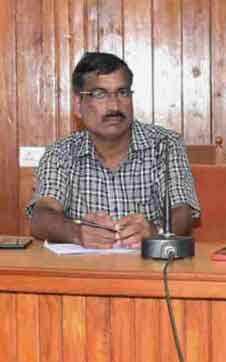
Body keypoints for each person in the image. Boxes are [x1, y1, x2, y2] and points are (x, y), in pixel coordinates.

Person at [28, 52, 200, 249]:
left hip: (150, 266)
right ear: (78, 105)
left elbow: (182, 212)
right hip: (84, 266)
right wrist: (77, 232)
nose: (114, 105)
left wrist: (155, 231)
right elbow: (41, 216)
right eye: (100, 94)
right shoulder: (61, 153)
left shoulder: (165, 144)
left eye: (122, 92)